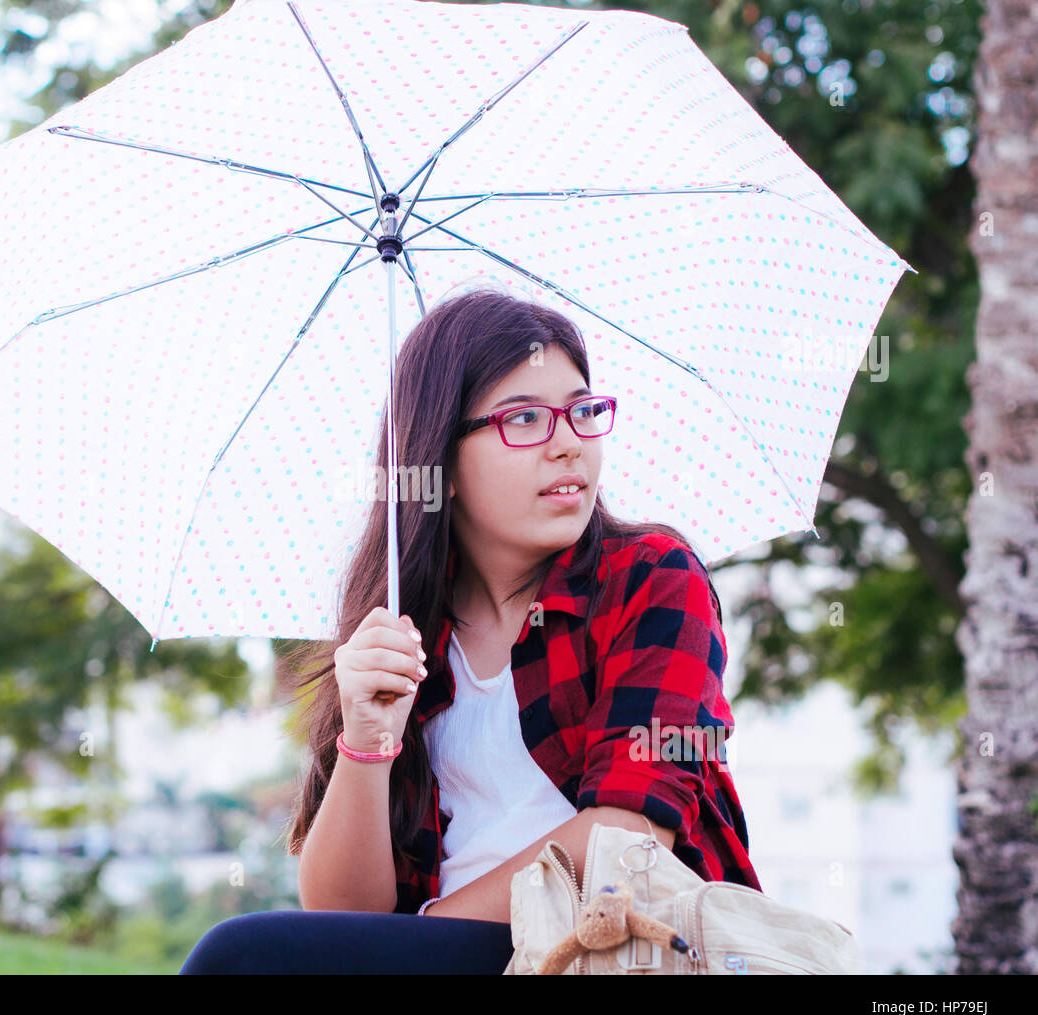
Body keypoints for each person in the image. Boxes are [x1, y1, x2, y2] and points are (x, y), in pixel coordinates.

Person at [179, 286, 760, 975]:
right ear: (440, 462)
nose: (569, 444)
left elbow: (631, 835)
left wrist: (422, 933)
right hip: (443, 956)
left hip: (605, 949)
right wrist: (367, 739)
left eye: (582, 411)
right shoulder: (399, 627)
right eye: (524, 419)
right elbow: (343, 910)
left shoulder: (653, 578)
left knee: (238, 957)